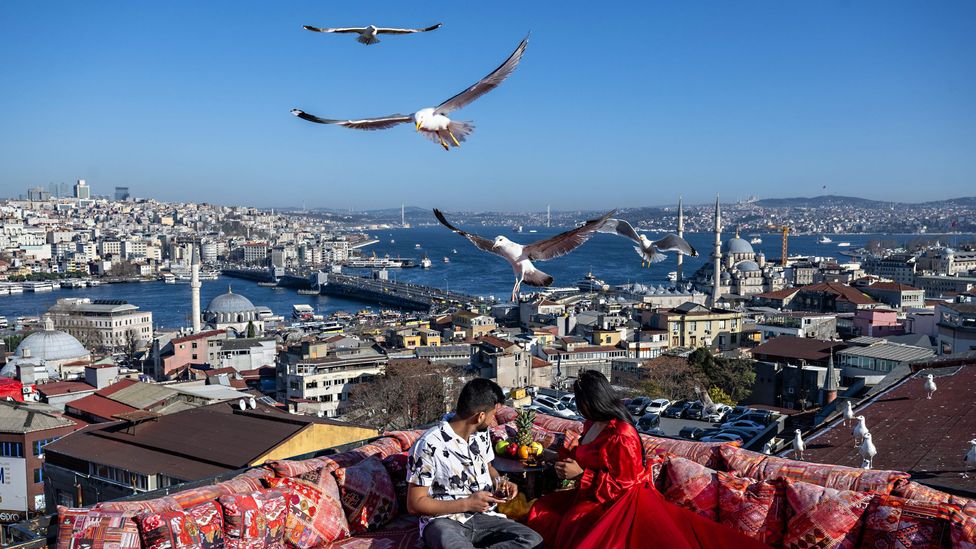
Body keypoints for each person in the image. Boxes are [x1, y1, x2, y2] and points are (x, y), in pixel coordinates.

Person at [527, 370, 768, 549]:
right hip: (590, 494)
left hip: (617, 502)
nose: (580, 409)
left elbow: (626, 484)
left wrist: (582, 475)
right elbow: (583, 454)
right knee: (542, 509)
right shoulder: (591, 424)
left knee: (574, 528)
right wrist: (553, 457)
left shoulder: (621, 434)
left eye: (583, 403)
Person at [407, 378, 543, 549]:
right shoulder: (429, 444)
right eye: (493, 415)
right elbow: (415, 504)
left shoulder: (481, 434)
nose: (493, 420)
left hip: (485, 517)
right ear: (480, 416)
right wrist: (467, 503)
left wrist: (501, 483)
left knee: (533, 541)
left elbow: (489, 468)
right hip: (444, 521)